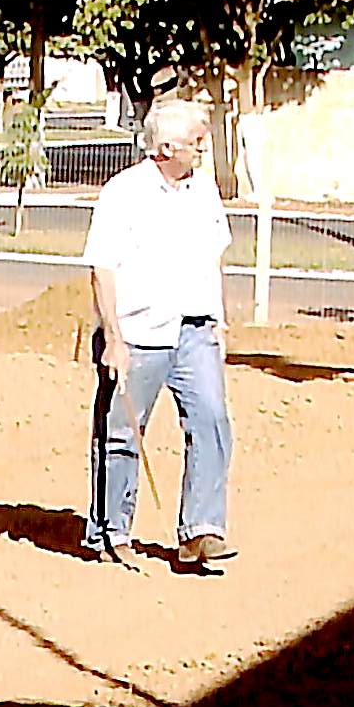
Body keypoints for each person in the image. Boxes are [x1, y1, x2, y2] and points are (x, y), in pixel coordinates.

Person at [81, 98, 235, 572]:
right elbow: (102, 268)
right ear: (167, 147)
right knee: (121, 434)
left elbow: (214, 259)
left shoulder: (204, 191)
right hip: (138, 330)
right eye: (196, 142)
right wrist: (113, 337)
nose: (203, 149)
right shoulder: (124, 193)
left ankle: (202, 530)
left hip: (195, 329)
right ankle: (110, 533)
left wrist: (219, 321)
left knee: (211, 421)